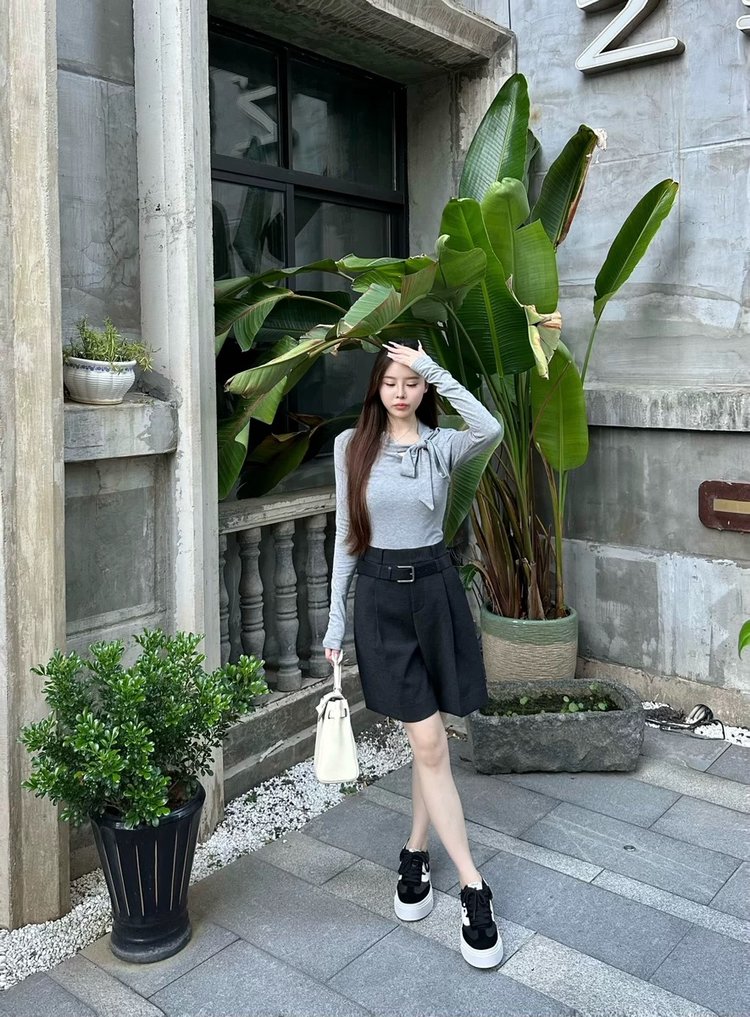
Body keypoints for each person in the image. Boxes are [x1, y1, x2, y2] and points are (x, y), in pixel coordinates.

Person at [322, 338, 505, 970]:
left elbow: (490, 427)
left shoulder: (443, 445)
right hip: (379, 600)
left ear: (424, 387)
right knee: (428, 741)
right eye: (391, 381)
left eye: (412, 382)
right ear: (376, 387)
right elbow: (347, 535)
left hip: (435, 593)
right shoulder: (351, 446)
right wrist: (335, 619)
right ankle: (474, 886)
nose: (401, 392)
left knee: (430, 746)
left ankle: (415, 852)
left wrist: (435, 367)